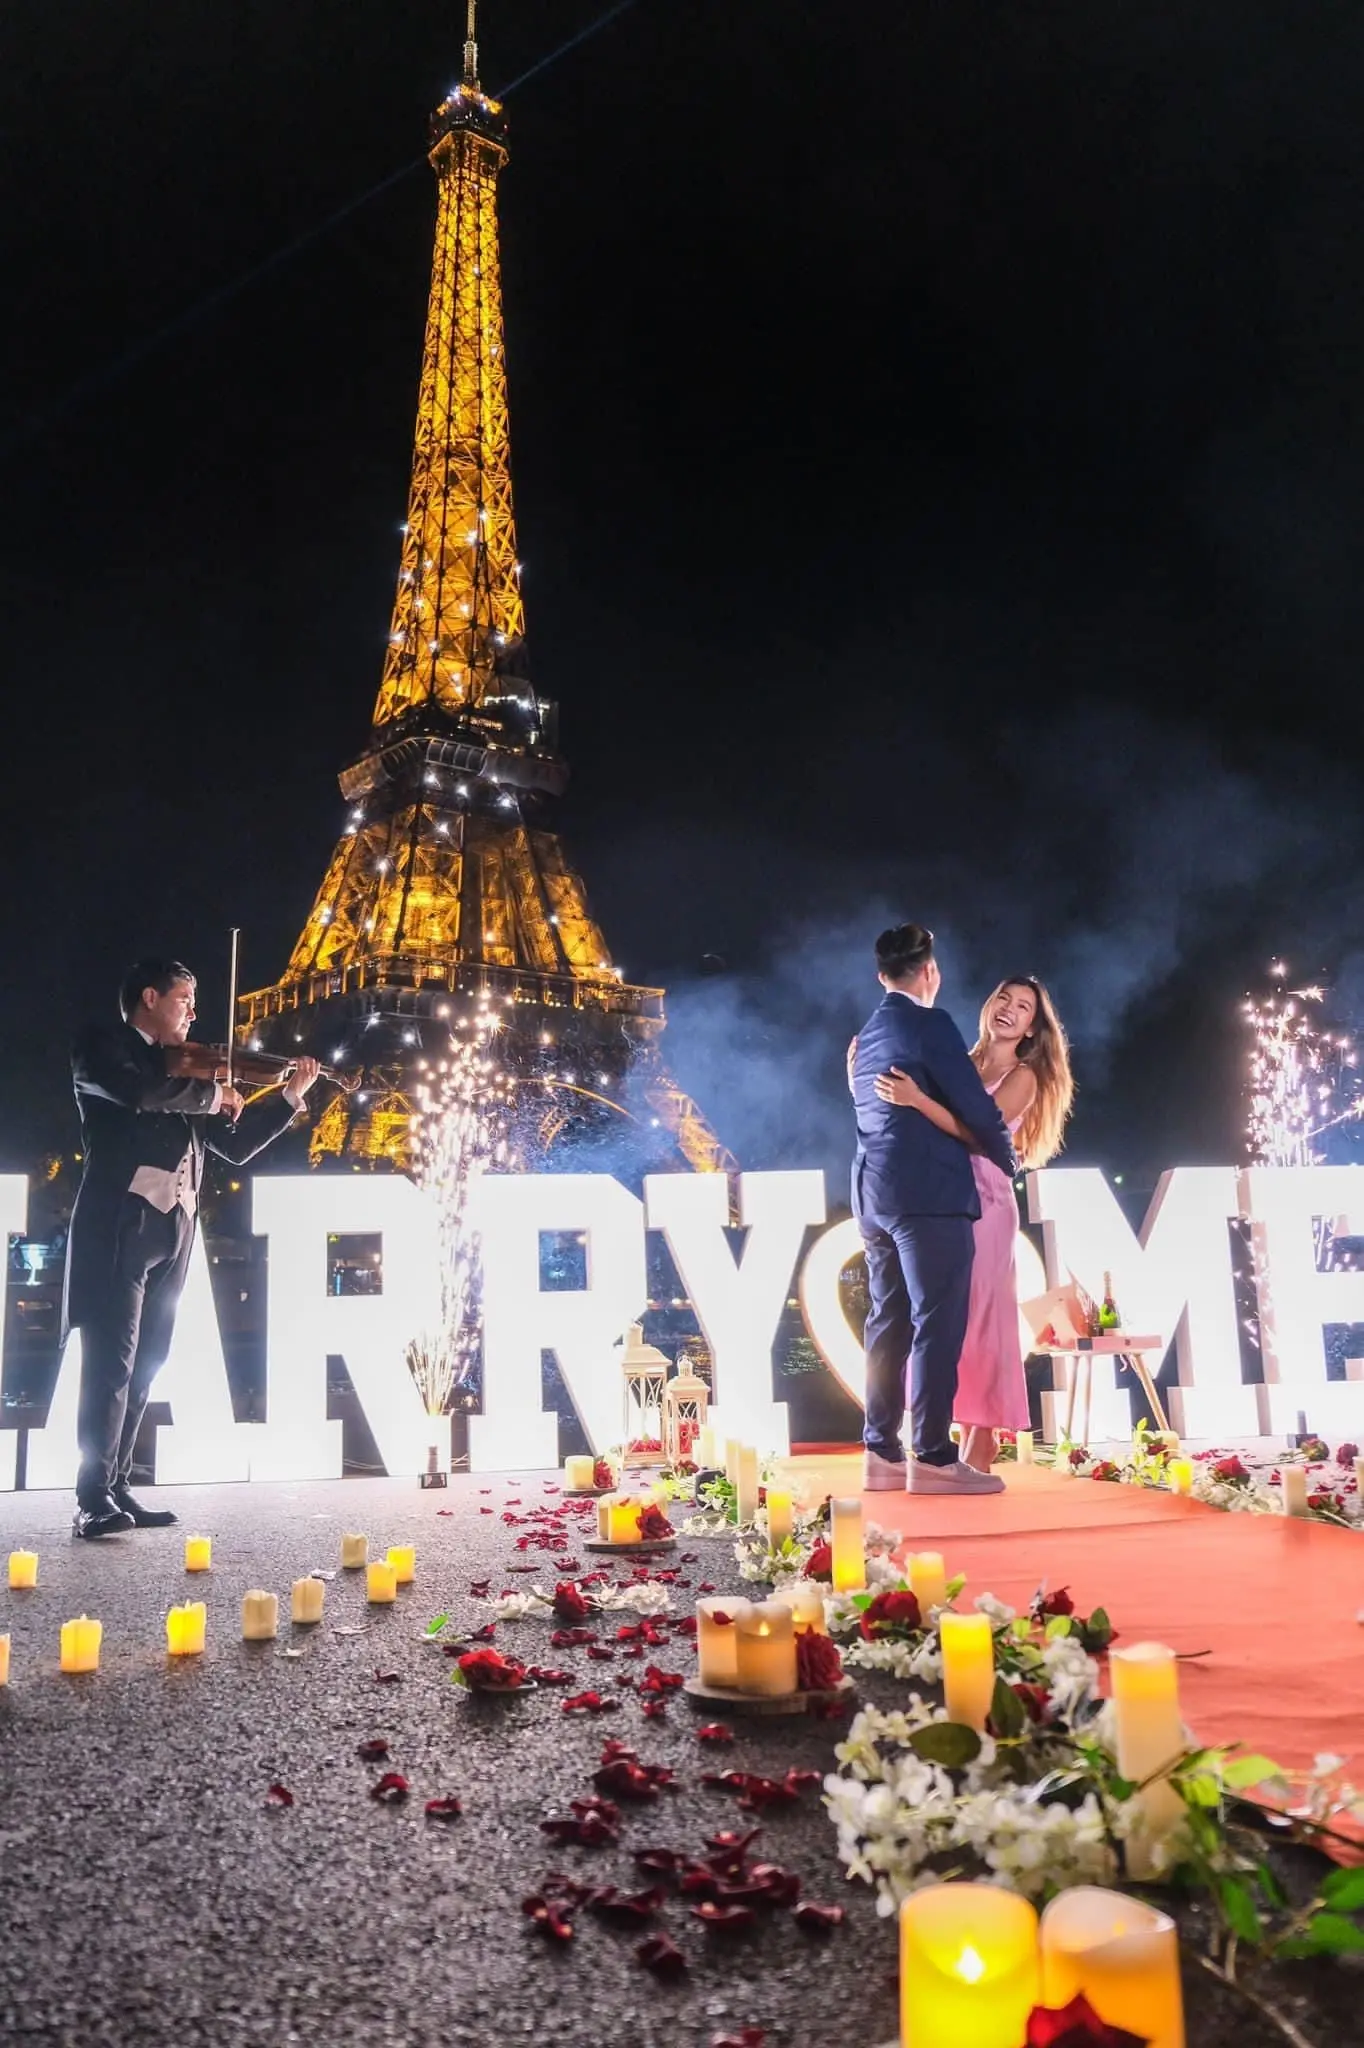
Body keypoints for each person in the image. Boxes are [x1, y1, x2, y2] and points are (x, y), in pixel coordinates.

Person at [61, 958, 321, 1539]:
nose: (194, 1012)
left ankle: (118, 1482)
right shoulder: (105, 1045)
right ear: (149, 997)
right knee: (111, 1363)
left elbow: (234, 1147)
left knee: (148, 1360)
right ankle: (90, 1497)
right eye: (185, 998)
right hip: (121, 1223)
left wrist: (289, 1096)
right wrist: (211, 1094)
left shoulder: (190, 1076)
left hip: (174, 1228)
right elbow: (137, 1092)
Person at [874, 977, 1074, 1471]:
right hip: (941, 1196)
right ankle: (947, 1434)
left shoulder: (1024, 1075)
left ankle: (981, 1439)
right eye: (1003, 998)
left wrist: (919, 1101)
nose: (1009, 1010)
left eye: (1023, 1007)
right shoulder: (960, 1060)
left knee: (982, 1319)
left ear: (1032, 1027)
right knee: (946, 1321)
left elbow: (980, 1134)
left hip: (984, 1201)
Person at [850, 924, 1017, 1494]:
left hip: (874, 1195)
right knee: (936, 1325)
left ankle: (880, 1451)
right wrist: (1004, 1156)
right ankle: (937, 1456)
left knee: (887, 1321)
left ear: (881, 975)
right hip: (930, 1197)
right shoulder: (932, 1023)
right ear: (930, 972)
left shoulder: (866, 1035)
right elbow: (975, 1105)